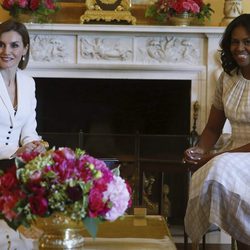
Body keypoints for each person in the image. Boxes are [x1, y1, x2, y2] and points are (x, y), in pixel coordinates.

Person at [184, 14, 250, 249]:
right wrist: (198, 150)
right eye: (235, 41)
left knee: (219, 168)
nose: (239, 47)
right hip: (235, 155)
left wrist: (213, 157)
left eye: (247, 41)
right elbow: (213, 127)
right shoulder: (227, 78)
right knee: (218, 169)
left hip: (239, 156)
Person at [0, 19, 48, 161]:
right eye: (1, 45)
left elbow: (29, 131)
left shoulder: (28, 83)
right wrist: (16, 151)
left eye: (14, 45)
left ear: (25, 49)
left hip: (14, 166)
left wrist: (34, 144)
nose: (6, 51)